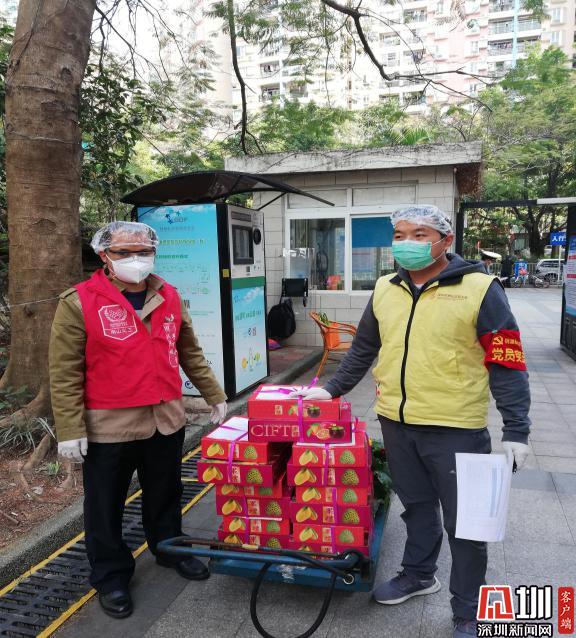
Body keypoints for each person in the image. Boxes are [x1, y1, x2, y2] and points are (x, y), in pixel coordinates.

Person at [294, 206, 531, 638]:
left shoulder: (480, 289)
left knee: (466, 525)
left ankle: (468, 610)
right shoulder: (386, 288)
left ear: (446, 240)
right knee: (417, 507)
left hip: (456, 428)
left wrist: (516, 429)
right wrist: (332, 389)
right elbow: (364, 348)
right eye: (400, 234)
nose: (407, 243)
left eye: (419, 234)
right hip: (396, 422)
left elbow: (506, 360)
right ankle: (419, 574)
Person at [49, 221, 227, 619]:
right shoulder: (79, 301)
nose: (136, 259)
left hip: (165, 418)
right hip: (110, 425)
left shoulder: (169, 295)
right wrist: (70, 429)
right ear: (104, 256)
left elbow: (189, 351)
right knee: (105, 504)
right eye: (124, 252)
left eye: (143, 251)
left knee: (165, 492)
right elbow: (64, 372)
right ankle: (111, 575)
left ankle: (170, 547)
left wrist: (214, 394)